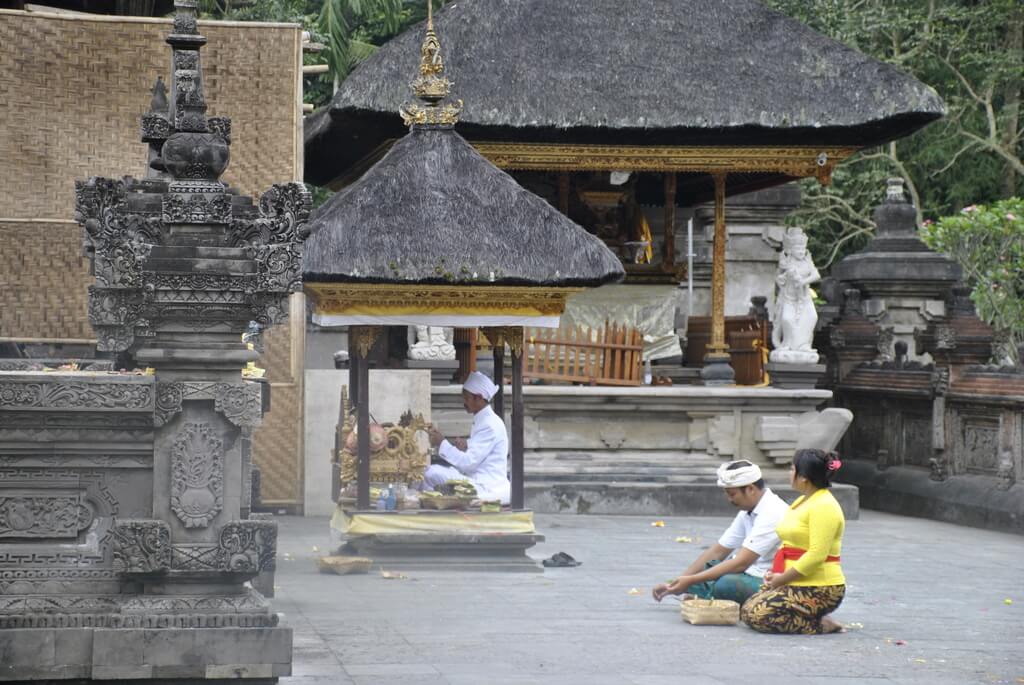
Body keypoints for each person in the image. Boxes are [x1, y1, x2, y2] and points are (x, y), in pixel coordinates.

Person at [652, 460, 789, 605]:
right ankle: (706, 593)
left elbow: (741, 563)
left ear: (750, 489)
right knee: (708, 568)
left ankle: (709, 595)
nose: (729, 500)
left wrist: (691, 581)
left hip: (767, 578)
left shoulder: (773, 512)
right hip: (745, 572)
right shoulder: (748, 509)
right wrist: (676, 582)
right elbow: (718, 551)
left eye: (732, 494)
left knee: (724, 583)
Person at [741, 449, 846, 634]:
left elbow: (816, 554)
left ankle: (821, 624)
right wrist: (776, 573)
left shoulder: (824, 506)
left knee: (760, 616)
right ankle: (810, 615)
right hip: (794, 580)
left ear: (803, 477)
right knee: (747, 610)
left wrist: (782, 578)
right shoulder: (801, 501)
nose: (790, 474)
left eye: (792, 469)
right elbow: (788, 541)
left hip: (821, 587)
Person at [424, 371, 511, 504]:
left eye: (466, 398)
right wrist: (467, 444)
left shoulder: (489, 424)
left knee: (431, 473)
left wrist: (442, 443)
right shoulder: (484, 419)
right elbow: (481, 449)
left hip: (486, 487)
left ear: (478, 398)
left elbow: (468, 464)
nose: (464, 402)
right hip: (477, 480)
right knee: (428, 473)